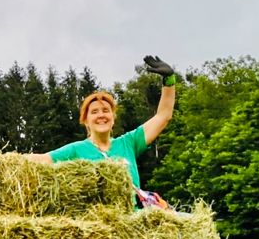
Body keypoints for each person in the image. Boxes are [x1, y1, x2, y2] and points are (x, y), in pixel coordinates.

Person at [28, 55, 176, 207]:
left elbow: (163, 116)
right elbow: (43, 160)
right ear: (86, 120)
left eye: (106, 110)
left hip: (133, 221)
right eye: (94, 112)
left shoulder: (128, 143)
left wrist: (169, 80)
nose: (101, 115)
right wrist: (4, 160)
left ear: (113, 118)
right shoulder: (76, 150)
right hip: (101, 223)